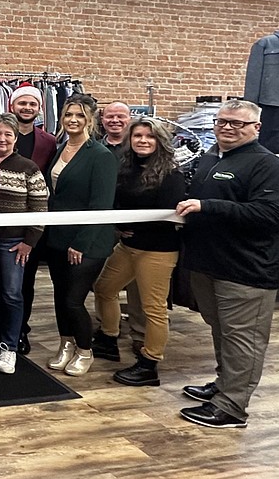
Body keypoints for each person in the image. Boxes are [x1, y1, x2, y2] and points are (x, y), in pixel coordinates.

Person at [177, 99, 279, 428]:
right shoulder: (212, 158)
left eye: (237, 124)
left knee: (244, 339)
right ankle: (225, 385)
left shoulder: (268, 166)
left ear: (256, 128)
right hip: (210, 265)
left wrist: (208, 206)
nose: (227, 128)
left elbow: (270, 216)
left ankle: (231, 407)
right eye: (222, 121)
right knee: (223, 332)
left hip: (246, 272)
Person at [92, 117, 186, 387]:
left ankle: (149, 364)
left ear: (160, 141)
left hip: (157, 251)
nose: (143, 141)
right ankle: (109, 338)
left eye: (150, 136)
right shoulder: (126, 168)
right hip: (129, 246)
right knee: (104, 288)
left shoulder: (171, 174)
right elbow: (119, 204)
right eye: (138, 136)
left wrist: (129, 225)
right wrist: (121, 226)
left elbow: (166, 213)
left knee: (152, 309)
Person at [43, 94, 118, 377]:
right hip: (57, 237)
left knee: (74, 300)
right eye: (68, 115)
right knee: (61, 297)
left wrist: (81, 243)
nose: (73, 120)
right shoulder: (60, 148)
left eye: (79, 115)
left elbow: (101, 204)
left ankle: (85, 350)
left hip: (88, 241)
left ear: (90, 120)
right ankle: (66, 344)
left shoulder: (100, 155)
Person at [0, 113, 48, 375]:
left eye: (8, 134)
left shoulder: (28, 167)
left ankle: (9, 346)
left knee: (11, 294)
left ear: (15, 139)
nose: (2, 138)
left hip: (13, 242)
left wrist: (29, 242)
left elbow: (40, 207)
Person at [92, 100, 146, 360]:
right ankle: (106, 329)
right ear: (102, 120)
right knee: (102, 280)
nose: (115, 120)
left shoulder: (140, 147)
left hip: (133, 229)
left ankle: (140, 334)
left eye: (120, 116)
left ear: (130, 118)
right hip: (104, 224)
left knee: (137, 286)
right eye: (110, 116)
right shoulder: (97, 148)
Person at [11, 84, 58, 356]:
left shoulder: (49, 142)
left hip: (33, 221)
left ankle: (20, 331)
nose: (27, 108)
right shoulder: (0, 135)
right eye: (22, 103)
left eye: (32, 104)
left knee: (26, 281)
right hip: (2, 219)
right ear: (12, 106)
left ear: (39, 109)